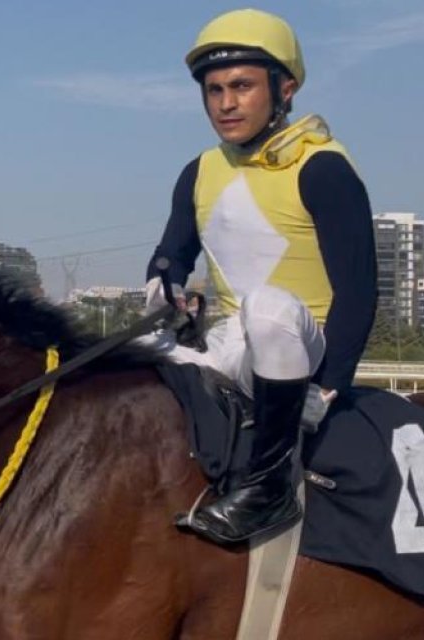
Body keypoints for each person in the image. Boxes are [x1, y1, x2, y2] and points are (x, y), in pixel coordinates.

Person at [141, 8, 378, 545]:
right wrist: (170, 294)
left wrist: (330, 385)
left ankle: (269, 489)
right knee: (123, 367)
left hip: (302, 344)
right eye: (215, 89)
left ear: (285, 89)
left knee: (268, 307)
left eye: (243, 86)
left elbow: (360, 292)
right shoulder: (199, 170)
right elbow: (170, 257)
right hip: (233, 344)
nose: (226, 103)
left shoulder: (324, 168)